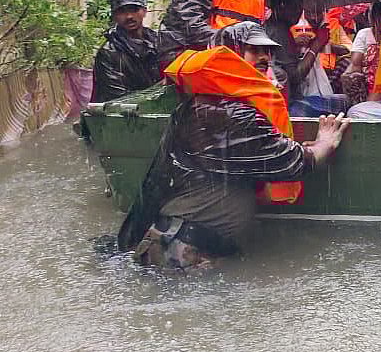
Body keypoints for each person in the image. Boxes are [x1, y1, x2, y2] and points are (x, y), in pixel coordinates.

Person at [117, 21, 349, 269]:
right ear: (229, 55)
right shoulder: (227, 112)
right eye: (254, 51)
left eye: (267, 52)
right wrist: (323, 144)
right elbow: (292, 162)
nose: (264, 59)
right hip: (181, 255)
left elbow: (260, 152)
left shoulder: (211, 103)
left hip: (191, 248)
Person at [262, 0, 348, 116]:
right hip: (291, 104)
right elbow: (296, 76)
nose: (298, 12)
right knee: (346, 102)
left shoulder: (276, 27)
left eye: (300, 8)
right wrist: (317, 44)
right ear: (282, 5)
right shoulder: (278, 31)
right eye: (295, 7)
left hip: (288, 99)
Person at [92, 0, 160, 102]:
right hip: (123, 115)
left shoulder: (158, 41)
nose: (129, 16)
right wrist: (159, 89)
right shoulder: (109, 53)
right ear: (114, 16)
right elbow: (119, 98)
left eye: (134, 10)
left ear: (144, 11)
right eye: (122, 12)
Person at [342, 0, 381, 104]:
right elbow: (355, 64)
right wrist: (349, 77)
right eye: (378, 16)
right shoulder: (364, 34)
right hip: (366, 87)